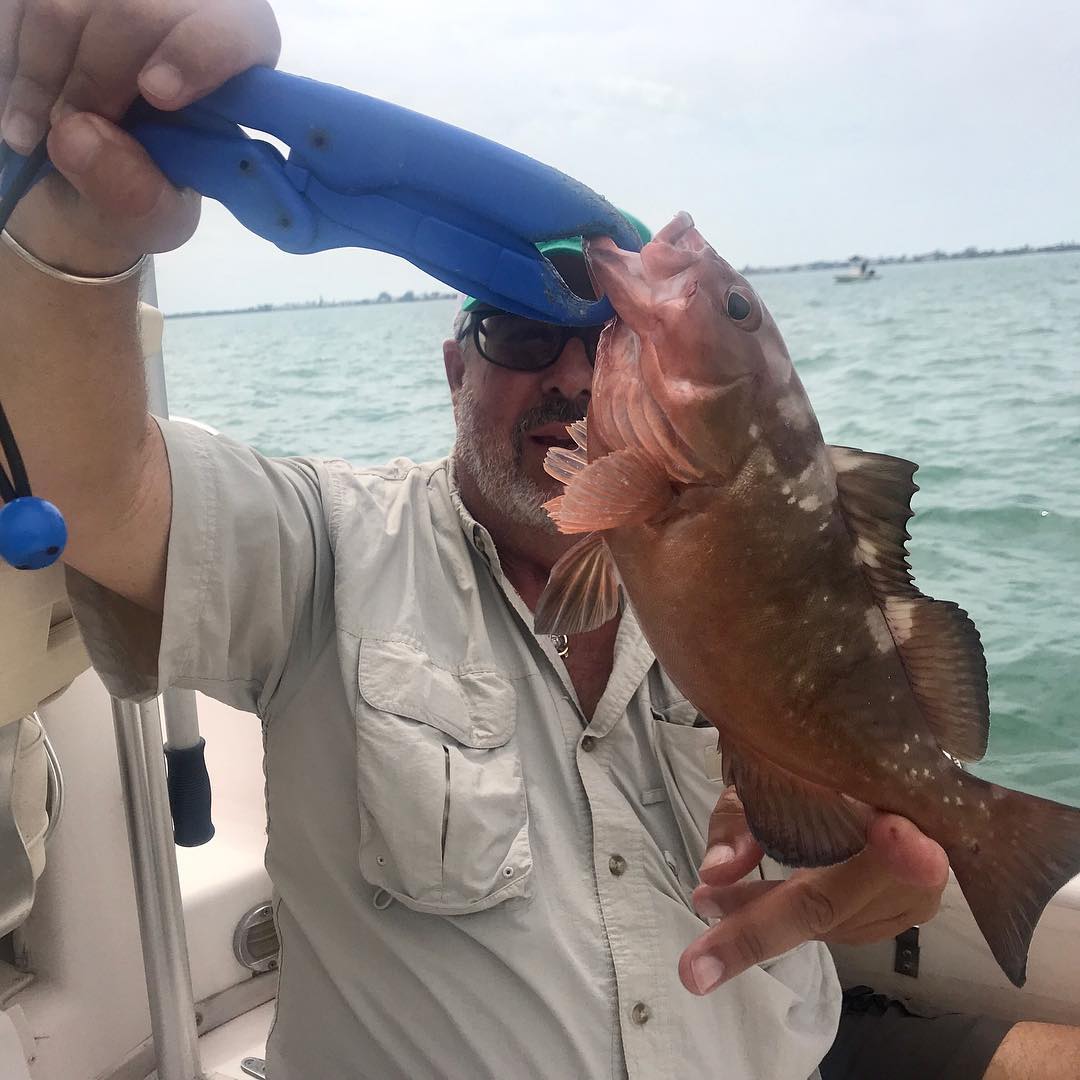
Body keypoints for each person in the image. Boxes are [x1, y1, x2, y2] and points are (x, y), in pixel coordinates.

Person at [2, 2, 1079, 1077]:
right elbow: (100, 488)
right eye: (519, 330)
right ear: (455, 371)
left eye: (603, 342)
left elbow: (867, 776)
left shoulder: (732, 535)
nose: (569, 374)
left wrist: (910, 858)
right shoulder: (324, 545)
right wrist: (84, 222)